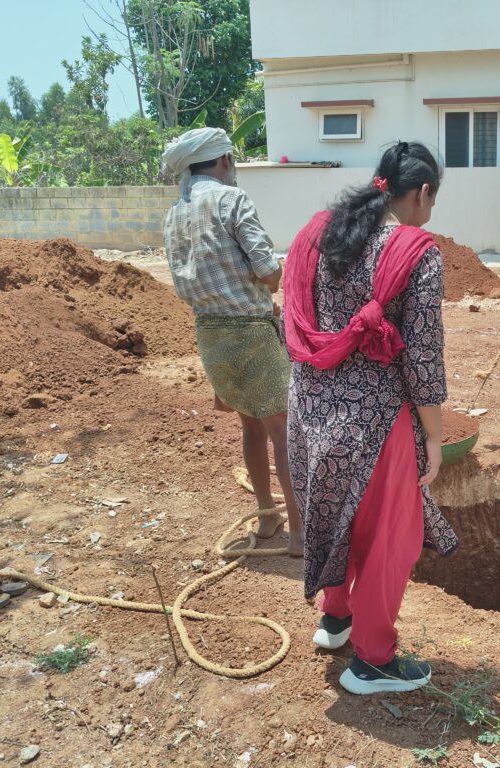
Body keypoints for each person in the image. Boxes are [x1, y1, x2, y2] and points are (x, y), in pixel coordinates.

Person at [284, 142, 458, 695]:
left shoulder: (316, 234)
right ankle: (373, 662)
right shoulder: (415, 253)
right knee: (389, 535)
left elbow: (294, 315)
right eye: (433, 200)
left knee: (333, 511)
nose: (430, 211)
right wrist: (434, 437)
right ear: (422, 192)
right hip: (373, 423)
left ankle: (336, 618)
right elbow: (423, 356)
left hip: (310, 414)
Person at [161, 127, 304, 554]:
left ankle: (268, 517)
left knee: (251, 427)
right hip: (252, 332)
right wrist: (275, 277)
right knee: (283, 431)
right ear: (225, 160)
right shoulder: (232, 200)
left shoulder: (174, 213)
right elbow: (268, 271)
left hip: (210, 335)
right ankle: (301, 534)